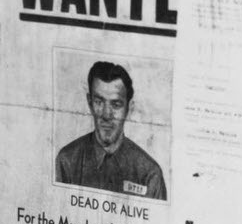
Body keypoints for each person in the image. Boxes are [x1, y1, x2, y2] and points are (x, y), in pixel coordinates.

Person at [55, 60, 166, 200]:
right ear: (89, 103)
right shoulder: (67, 160)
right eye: (99, 102)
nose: (107, 114)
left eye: (116, 104)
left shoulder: (149, 173)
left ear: (129, 109)